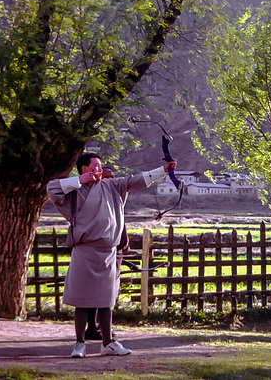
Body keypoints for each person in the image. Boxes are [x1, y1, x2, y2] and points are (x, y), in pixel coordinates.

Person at [47, 153, 175, 358]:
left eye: (100, 165)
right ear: (84, 169)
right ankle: (79, 344)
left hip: (108, 252)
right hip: (84, 250)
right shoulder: (74, 190)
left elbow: (136, 180)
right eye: (95, 166)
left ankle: (108, 343)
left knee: (105, 301)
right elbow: (51, 188)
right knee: (81, 299)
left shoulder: (112, 186)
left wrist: (164, 170)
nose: (99, 169)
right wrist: (80, 181)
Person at [84, 167, 128, 342]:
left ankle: (102, 327)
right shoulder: (93, 197)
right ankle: (91, 327)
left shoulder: (116, 195)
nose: (109, 180)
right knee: (94, 288)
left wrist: (123, 239)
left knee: (108, 289)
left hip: (115, 247)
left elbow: (120, 219)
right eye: (105, 177)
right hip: (99, 247)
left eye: (112, 178)